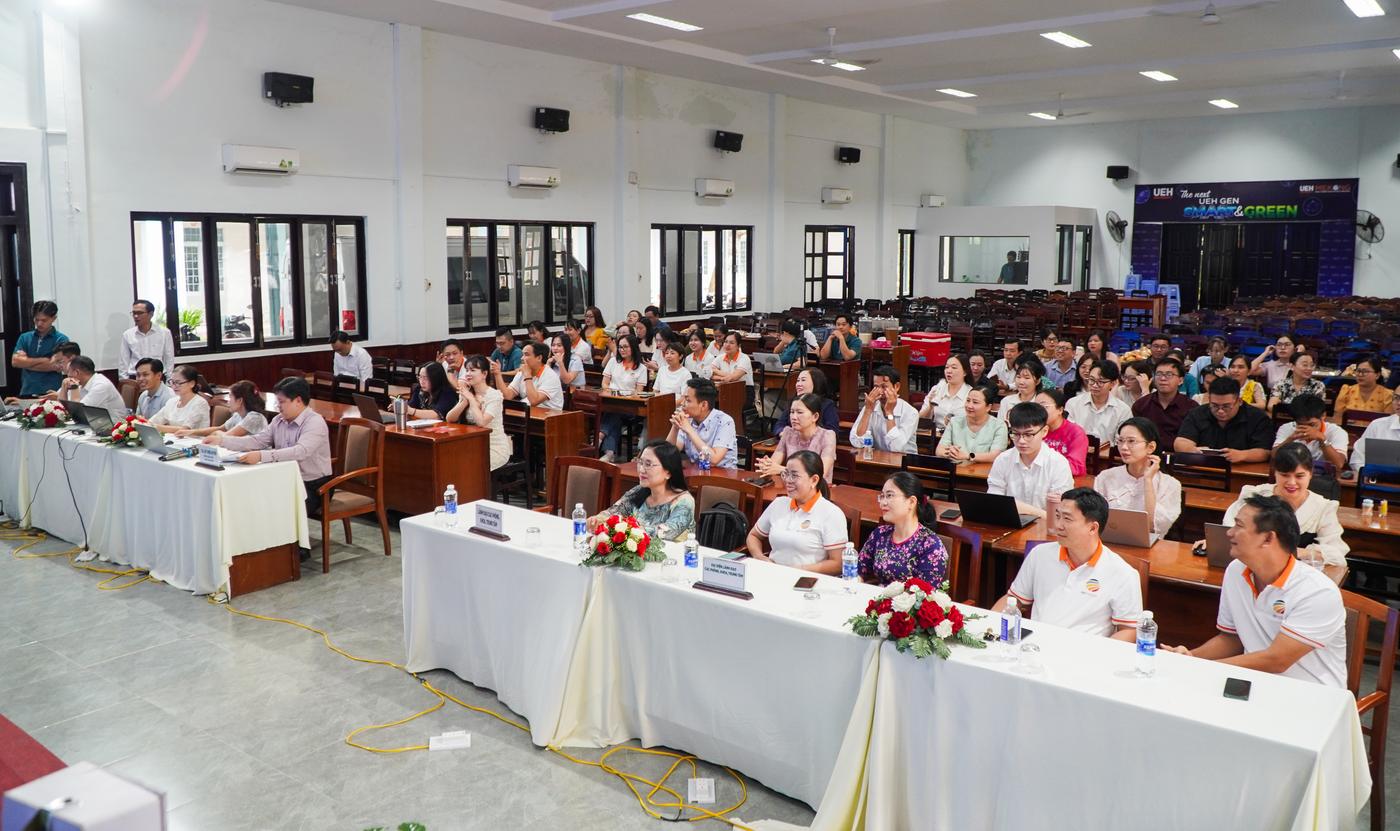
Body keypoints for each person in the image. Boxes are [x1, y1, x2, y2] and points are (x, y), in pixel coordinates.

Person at [1167, 494, 1345, 688]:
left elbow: (1277, 660)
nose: (1229, 533)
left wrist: (1202, 668)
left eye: (1239, 526)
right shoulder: (1236, 571)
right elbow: (1232, 639)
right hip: (1255, 684)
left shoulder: (1317, 592)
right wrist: (1190, 658)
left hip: (1312, 694)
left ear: (1268, 538)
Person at [992, 488, 1141, 641]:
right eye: (1058, 516)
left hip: (1084, 651)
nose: (1058, 525)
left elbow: (1129, 630)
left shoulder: (1123, 573)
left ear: (1092, 528)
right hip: (1035, 645)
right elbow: (1013, 600)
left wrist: (1099, 652)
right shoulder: (1039, 554)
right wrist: (989, 624)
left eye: (1067, 519)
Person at [206, 377, 332, 519]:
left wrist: (261, 456)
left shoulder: (314, 422)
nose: (278, 406)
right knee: (249, 499)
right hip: (284, 478)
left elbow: (300, 451)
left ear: (298, 401)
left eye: (281, 402)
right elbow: (257, 440)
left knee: (272, 508)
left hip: (314, 486)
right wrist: (222, 441)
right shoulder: (279, 420)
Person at [1211, 443, 1348, 568]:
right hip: (1249, 567)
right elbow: (1228, 531)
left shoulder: (1323, 507)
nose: (1292, 483)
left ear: (1310, 474)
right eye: (1285, 475)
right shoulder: (1254, 495)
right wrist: (1217, 544)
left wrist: (1298, 552)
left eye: (1299, 476)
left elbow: (1337, 553)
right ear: (1274, 472)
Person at [746, 451, 848, 574]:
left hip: (807, 579)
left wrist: (796, 571)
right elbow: (753, 536)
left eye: (794, 476)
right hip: (772, 574)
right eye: (786, 474)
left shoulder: (831, 514)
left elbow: (838, 563)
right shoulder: (779, 503)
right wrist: (760, 557)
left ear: (814, 480)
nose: (788, 481)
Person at [1093, 418, 1181, 539]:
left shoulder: (1170, 485)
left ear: (1151, 447)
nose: (1124, 447)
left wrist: (1148, 481)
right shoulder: (1105, 477)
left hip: (1150, 545)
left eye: (1131, 441)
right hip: (1108, 541)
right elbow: (1095, 519)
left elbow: (1153, 528)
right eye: (1120, 441)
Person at [592, 440, 694, 542]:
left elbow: (666, 533)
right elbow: (613, 512)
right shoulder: (639, 491)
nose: (641, 469)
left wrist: (628, 529)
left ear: (668, 473)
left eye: (648, 464)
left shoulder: (684, 501)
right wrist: (596, 520)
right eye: (640, 462)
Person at [860, 472, 950, 586]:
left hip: (909, 598)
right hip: (877, 596)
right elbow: (858, 570)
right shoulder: (880, 534)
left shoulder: (930, 545)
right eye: (882, 496)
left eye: (889, 495)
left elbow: (923, 593)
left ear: (911, 502)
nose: (882, 503)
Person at [987, 402, 1074, 518]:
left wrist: (1021, 508)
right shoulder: (1003, 460)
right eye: (1015, 434)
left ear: (1044, 431)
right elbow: (994, 500)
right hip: (1010, 522)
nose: (1021, 441)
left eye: (1028, 435)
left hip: (1046, 525)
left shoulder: (1058, 463)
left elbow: (1060, 512)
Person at [1173, 376, 1273, 463]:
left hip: (1242, 469)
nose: (1220, 411)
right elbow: (1180, 442)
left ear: (1239, 401)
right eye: (1215, 405)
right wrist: (1193, 450)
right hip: (1204, 466)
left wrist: (1243, 455)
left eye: (1226, 406)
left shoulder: (1258, 417)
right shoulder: (1197, 413)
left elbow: (1265, 452)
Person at [446, 355, 511, 471]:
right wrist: (465, 401)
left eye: (473, 370)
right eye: (467, 370)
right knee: (449, 459)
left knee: (469, 465)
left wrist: (471, 400)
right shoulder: (467, 392)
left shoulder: (494, 396)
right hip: (472, 443)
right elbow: (450, 419)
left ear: (484, 374)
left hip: (493, 446)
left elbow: (482, 422)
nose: (468, 374)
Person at [758, 393, 836, 481]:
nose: (794, 417)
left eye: (800, 412)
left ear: (815, 416)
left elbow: (819, 474)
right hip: (790, 485)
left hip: (816, 488)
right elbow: (773, 466)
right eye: (792, 412)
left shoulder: (827, 436)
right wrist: (766, 466)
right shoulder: (788, 432)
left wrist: (782, 470)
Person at [598, 334, 649, 462]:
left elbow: (638, 392)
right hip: (612, 402)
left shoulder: (642, 368)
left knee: (615, 413)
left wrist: (625, 395)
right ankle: (609, 453)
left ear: (633, 347)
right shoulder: (613, 361)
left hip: (630, 407)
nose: (622, 350)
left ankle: (600, 436)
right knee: (614, 413)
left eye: (625, 347)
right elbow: (604, 384)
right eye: (620, 347)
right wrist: (611, 391)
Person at [668, 378, 737, 469]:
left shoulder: (725, 421)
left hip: (723, 473)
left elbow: (714, 460)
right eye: (683, 399)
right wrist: (675, 427)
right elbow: (668, 453)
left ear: (704, 405)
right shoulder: (688, 419)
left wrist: (689, 430)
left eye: (688, 400)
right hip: (696, 471)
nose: (682, 404)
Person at [1130, 357, 1194, 450]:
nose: (1163, 378)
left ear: (1180, 380)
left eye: (1169, 374)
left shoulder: (1191, 407)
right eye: (1159, 374)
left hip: (1179, 456)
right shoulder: (1140, 405)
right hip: (1147, 454)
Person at [852, 365, 919, 453]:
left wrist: (889, 413)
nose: (880, 392)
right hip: (879, 458)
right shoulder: (870, 406)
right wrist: (867, 411)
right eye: (876, 387)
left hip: (904, 459)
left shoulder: (910, 412)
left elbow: (896, 447)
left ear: (896, 386)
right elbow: (857, 442)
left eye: (884, 387)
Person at [1066, 360, 1133, 446]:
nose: (1094, 385)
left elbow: (1121, 442)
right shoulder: (1073, 404)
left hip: (1108, 454)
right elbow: (1068, 434)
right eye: (1092, 380)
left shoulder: (1123, 410)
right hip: (1076, 450)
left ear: (1113, 383)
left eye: (1101, 382)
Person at [936, 384, 1008, 464]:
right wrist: (950, 452)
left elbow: (995, 456)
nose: (969, 406)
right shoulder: (954, 421)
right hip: (958, 469)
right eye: (968, 400)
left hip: (984, 471)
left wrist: (968, 456)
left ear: (988, 407)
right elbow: (939, 450)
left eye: (975, 402)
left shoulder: (999, 426)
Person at [1273, 394, 1347, 470]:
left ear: (1323, 416)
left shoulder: (1337, 432)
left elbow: (1338, 464)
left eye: (1312, 425)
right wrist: (1290, 439)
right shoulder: (1286, 428)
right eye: (1300, 424)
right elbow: (1273, 457)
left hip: (1324, 475)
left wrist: (1323, 440)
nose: (1307, 429)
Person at [11, 300, 68, 396]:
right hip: (27, 391)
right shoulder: (25, 337)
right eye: (36, 320)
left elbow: (56, 365)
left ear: (53, 318)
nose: (39, 324)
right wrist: (44, 360)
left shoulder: (61, 339)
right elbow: (15, 362)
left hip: (51, 393)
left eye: (44, 320)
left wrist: (26, 363)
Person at [178, 380, 268, 438]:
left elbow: (227, 436)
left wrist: (216, 433)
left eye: (230, 397)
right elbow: (220, 428)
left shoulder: (254, 417)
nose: (228, 401)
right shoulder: (238, 415)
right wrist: (190, 432)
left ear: (240, 400)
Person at [496, 341, 563, 411]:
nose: (522, 358)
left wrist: (528, 376)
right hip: (528, 411)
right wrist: (497, 374)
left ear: (539, 358)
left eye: (526, 355)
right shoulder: (522, 373)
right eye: (522, 355)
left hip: (549, 414)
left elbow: (534, 401)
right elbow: (507, 396)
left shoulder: (550, 376)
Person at [118, 299, 175, 379]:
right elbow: (123, 361)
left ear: (151, 314)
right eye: (134, 313)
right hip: (136, 377)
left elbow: (169, 358)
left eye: (139, 313)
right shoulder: (128, 334)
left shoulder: (164, 333)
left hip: (157, 377)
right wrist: (124, 381)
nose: (136, 316)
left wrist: (169, 380)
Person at [772, 368, 840, 435]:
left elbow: (832, 431)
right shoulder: (794, 402)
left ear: (816, 382)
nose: (798, 384)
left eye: (803, 380)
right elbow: (779, 425)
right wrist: (782, 433)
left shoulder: (827, 405)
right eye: (798, 381)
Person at [1036, 389, 1087, 476]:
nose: (1038, 412)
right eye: (1035, 407)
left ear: (1060, 410)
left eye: (1044, 407)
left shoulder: (1076, 433)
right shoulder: (1034, 430)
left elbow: (1076, 466)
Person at [56, 356, 128, 416]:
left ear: (77, 372)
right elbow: (62, 409)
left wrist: (74, 388)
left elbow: (78, 413)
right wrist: (64, 388)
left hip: (115, 425)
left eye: (69, 372)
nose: (68, 376)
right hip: (96, 421)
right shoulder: (81, 383)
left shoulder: (101, 385)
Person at [1348, 393, 1400, 477]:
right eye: (1396, 398)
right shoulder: (1377, 425)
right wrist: (1366, 474)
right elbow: (1357, 458)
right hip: (1376, 480)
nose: (1399, 403)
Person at [149, 365, 211, 433]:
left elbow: (185, 430)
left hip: (194, 439)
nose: (174, 386)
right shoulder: (172, 401)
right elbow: (154, 421)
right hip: (173, 438)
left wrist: (156, 427)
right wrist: (145, 422)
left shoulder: (200, 403)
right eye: (172, 382)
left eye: (178, 382)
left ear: (192, 383)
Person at [917, 354, 970, 431]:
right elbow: (920, 420)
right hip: (937, 435)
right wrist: (930, 407)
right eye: (947, 367)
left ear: (965, 372)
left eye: (954, 368)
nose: (949, 371)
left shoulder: (971, 393)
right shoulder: (937, 389)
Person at [998, 356, 1045, 423]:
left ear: (1037, 381)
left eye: (1027, 378)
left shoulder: (1042, 403)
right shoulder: (1006, 401)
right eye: (1018, 377)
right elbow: (1000, 425)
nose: (1021, 382)